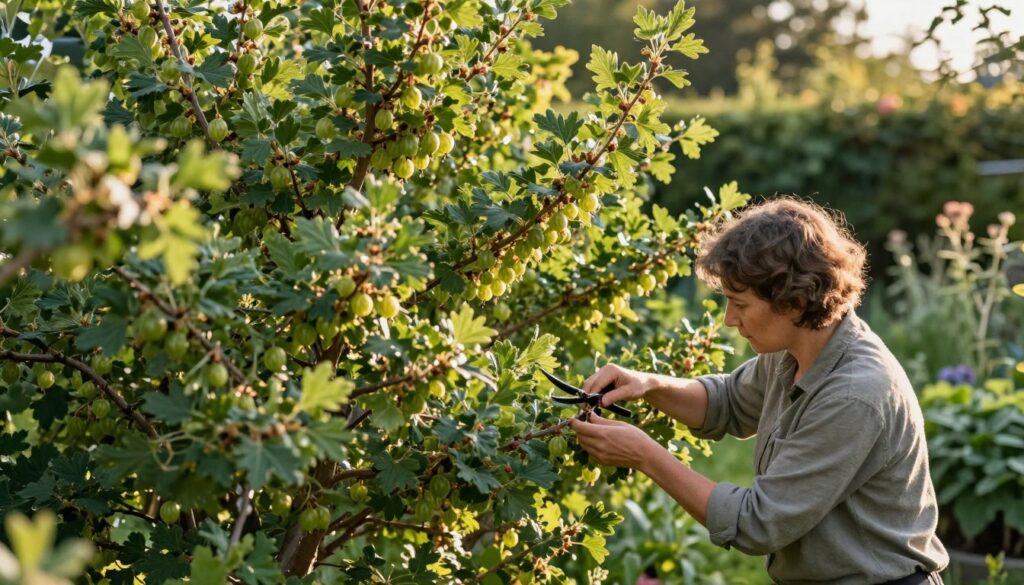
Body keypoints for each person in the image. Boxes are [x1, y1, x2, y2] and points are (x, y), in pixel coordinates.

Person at [569, 198, 949, 585]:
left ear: (794, 300)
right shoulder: (798, 349)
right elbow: (728, 403)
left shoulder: (854, 393)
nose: (729, 320)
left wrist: (645, 455)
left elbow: (757, 523)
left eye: (740, 304)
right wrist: (650, 385)